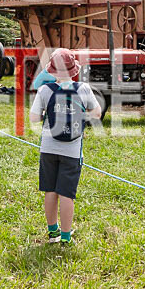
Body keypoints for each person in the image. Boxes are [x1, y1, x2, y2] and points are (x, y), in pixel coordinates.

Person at [29, 48, 101, 245]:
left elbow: (34, 119)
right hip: (72, 149)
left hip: (49, 148)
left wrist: (48, 115)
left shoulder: (45, 90)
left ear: (52, 71)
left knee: (50, 191)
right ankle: (67, 236)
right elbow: (97, 113)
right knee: (66, 194)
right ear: (73, 70)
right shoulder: (83, 88)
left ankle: (53, 233)